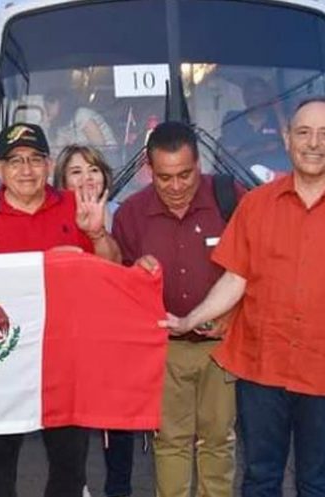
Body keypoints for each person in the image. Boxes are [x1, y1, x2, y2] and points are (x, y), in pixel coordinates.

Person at [163, 98, 325, 496]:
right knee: (260, 478)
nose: (314, 143)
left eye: (324, 134)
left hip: (321, 370)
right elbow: (235, 278)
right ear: (287, 139)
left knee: (317, 482)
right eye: (303, 132)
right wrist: (188, 320)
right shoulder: (256, 205)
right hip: (262, 367)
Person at [0, 122, 120, 497]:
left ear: (49, 165)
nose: (25, 169)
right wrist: (47, 264)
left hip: (65, 357)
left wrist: (96, 234)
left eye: (34, 159)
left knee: (69, 465)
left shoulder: (73, 204)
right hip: (3, 357)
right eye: (14, 161)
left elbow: (112, 269)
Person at [112, 121, 241, 497]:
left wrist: (233, 316)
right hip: (163, 347)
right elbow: (116, 284)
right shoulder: (131, 215)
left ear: (199, 164)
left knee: (219, 440)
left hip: (221, 347)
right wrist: (136, 275)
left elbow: (255, 269)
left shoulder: (229, 198)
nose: (176, 186)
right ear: (149, 171)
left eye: (185, 174)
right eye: (165, 177)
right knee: (170, 441)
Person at [53, 144, 132, 497]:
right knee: (73, 425)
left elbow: (120, 268)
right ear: (61, 181)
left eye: (93, 170)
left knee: (119, 427)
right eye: (75, 172)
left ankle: (119, 489)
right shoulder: (54, 218)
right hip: (71, 338)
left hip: (116, 335)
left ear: (106, 176)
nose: (86, 178)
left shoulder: (127, 214)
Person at [220, 76, 289, 171]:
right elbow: (231, 158)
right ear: (245, 96)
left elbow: (289, 145)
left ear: (266, 97)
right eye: (252, 93)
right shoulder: (234, 120)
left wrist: (278, 109)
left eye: (260, 93)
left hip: (275, 178)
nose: (255, 97)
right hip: (242, 178)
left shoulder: (276, 121)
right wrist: (264, 148)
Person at [43, 90, 118, 162]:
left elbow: (100, 146)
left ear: (61, 104)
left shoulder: (82, 115)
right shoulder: (60, 124)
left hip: (107, 158)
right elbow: (59, 150)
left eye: (49, 107)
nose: (48, 111)